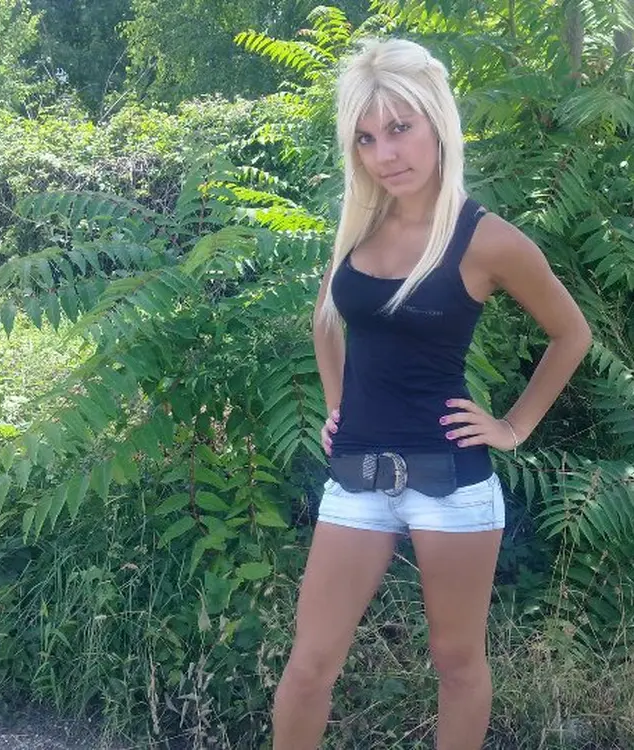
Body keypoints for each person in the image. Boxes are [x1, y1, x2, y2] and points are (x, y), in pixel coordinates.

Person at [271, 37, 592, 750]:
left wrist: (512, 427)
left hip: (451, 482)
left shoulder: (487, 240)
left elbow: (572, 334)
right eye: (366, 137)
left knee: (456, 664)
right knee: (309, 666)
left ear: (437, 122)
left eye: (399, 127)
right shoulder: (358, 227)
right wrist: (337, 406)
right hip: (357, 474)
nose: (385, 153)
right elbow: (326, 322)